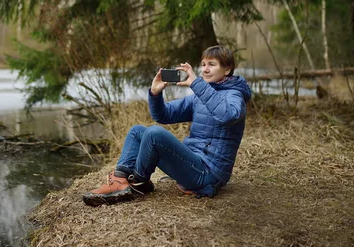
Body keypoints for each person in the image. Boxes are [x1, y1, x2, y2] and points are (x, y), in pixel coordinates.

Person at [82, 45, 252, 207]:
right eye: (203, 65)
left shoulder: (235, 95)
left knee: (154, 134)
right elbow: (163, 115)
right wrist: (155, 94)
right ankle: (120, 179)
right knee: (137, 131)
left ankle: (138, 182)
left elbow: (228, 115)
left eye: (212, 65)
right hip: (193, 162)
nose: (205, 69)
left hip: (208, 174)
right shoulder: (200, 95)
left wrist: (198, 85)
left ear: (227, 69)